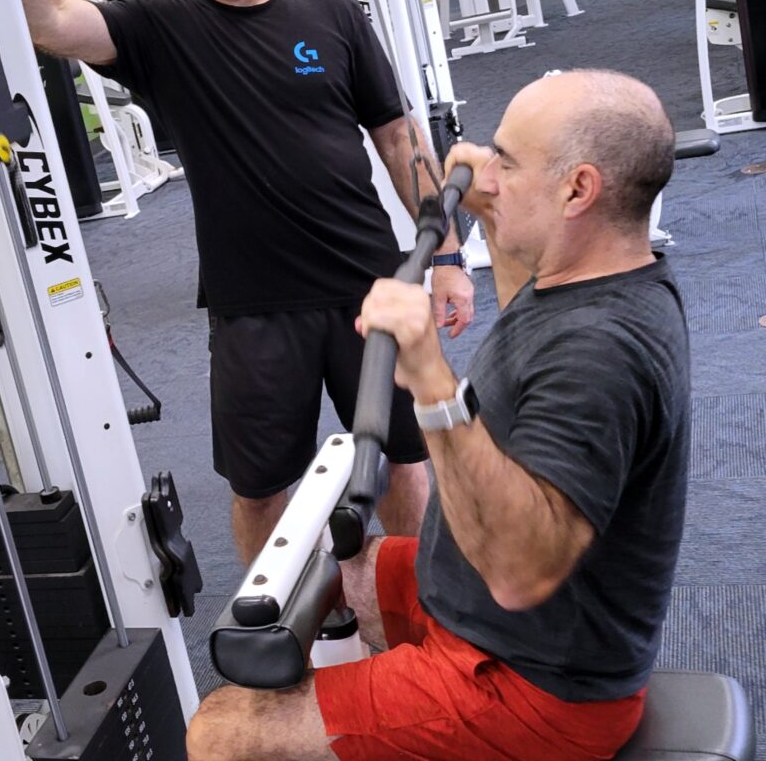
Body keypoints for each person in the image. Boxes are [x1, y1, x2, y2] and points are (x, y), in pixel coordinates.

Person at [0, 0, 475, 565]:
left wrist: (451, 257)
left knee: (402, 460)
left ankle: (411, 615)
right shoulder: (161, 29)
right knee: (261, 491)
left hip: (370, 286)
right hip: (255, 307)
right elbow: (51, 23)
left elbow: (402, 141)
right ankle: (280, 645)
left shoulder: (332, 15)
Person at [185, 69, 691, 761]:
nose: (484, 163)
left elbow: (517, 576)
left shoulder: (600, 353)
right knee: (340, 571)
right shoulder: (591, 274)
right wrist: (489, 207)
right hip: (494, 613)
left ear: (578, 190)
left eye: (506, 160)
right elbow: (522, 327)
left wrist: (427, 376)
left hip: (538, 687)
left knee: (220, 733)